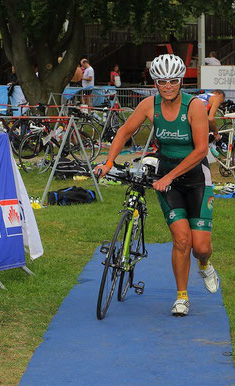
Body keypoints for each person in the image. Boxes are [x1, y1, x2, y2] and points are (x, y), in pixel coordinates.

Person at [94, 54, 219, 317]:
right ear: (155, 83)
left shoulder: (194, 106)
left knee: (201, 247)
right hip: (166, 176)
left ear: (181, 81)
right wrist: (108, 161)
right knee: (182, 240)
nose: (168, 86)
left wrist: (170, 177)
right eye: (162, 82)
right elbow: (125, 131)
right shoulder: (150, 105)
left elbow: (200, 150)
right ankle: (182, 296)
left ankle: (205, 264)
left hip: (196, 176)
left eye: (173, 81)